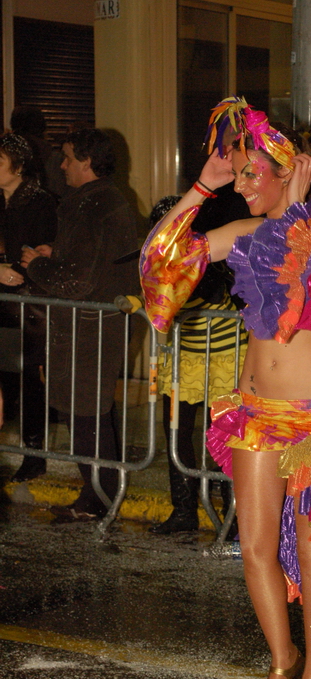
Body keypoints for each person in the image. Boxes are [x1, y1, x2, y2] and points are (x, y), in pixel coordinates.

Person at [140, 97, 311, 679]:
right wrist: (202, 187)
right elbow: (162, 270)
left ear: (290, 172)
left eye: (253, 173)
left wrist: (302, 206)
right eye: (239, 173)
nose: (243, 183)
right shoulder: (245, 232)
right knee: (252, 548)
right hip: (254, 413)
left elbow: (306, 286)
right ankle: (282, 661)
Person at [20, 128, 138, 522]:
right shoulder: (103, 201)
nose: (63, 165)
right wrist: (56, 254)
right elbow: (93, 262)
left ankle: (98, 498)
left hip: (89, 325)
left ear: (88, 161)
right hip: (95, 322)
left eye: (69, 157)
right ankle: (98, 494)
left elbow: (78, 279)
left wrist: (36, 265)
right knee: (87, 412)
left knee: (86, 414)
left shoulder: (94, 204)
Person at [149, 194, 249, 534]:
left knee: (223, 441)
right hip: (185, 357)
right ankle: (184, 511)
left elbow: (194, 290)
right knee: (176, 435)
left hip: (224, 359)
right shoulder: (163, 258)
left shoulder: (212, 257)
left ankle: (233, 520)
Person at [0, 133, 58, 481]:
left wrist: (19, 270)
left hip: (29, 305)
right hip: (6, 302)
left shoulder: (40, 202)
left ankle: (33, 453)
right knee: (9, 378)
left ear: (19, 167)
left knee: (28, 378)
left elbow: (43, 250)